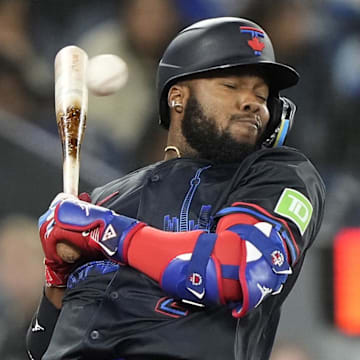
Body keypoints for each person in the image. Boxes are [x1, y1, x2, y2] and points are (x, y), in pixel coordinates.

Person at [26, 17, 325, 360]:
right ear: (177, 98)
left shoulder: (276, 175)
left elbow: (238, 269)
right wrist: (56, 278)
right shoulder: (105, 200)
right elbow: (40, 348)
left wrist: (107, 232)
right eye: (231, 86)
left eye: (262, 95)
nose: (252, 102)